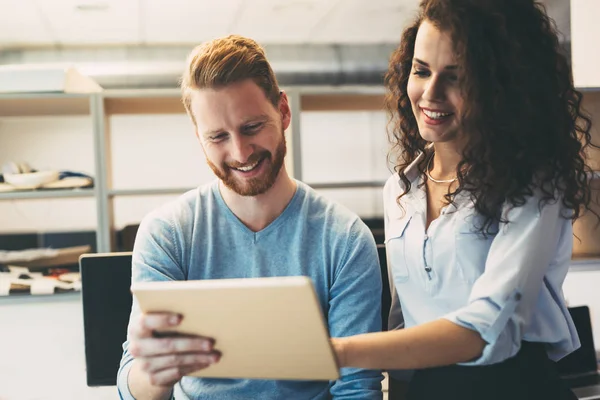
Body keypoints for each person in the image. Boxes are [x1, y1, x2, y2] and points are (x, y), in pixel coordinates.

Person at [330, 1, 598, 399]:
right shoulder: (401, 189)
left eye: (457, 78)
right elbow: (404, 322)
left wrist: (337, 352)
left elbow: (484, 325)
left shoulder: (534, 183)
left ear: (501, 87)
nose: (430, 93)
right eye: (421, 70)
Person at [115, 35, 384, 400]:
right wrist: (156, 374)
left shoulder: (344, 237)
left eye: (252, 127)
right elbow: (131, 383)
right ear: (199, 137)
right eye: (218, 137)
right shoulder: (167, 233)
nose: (240, 152)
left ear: (283, 111)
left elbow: (356, 388)